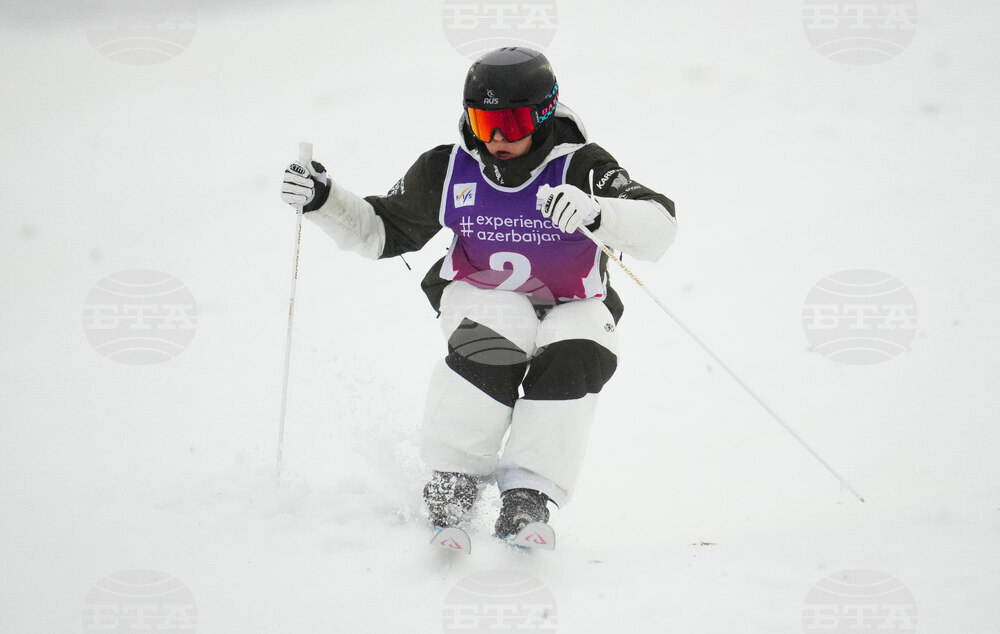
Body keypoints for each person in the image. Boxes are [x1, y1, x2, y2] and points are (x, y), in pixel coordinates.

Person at [281, 46, 676, 540]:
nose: (494, 138)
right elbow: (381, 230)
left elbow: (660, 226)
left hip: (574, 301)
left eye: (509, 123)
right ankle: (455, 481)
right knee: (504, 321)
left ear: (543, 113)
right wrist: (323, 200)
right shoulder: (449, 168)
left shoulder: (582, 167)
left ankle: (527, 497)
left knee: (581, 346)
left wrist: (600, 212)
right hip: (480, 291)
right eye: (481, 120)